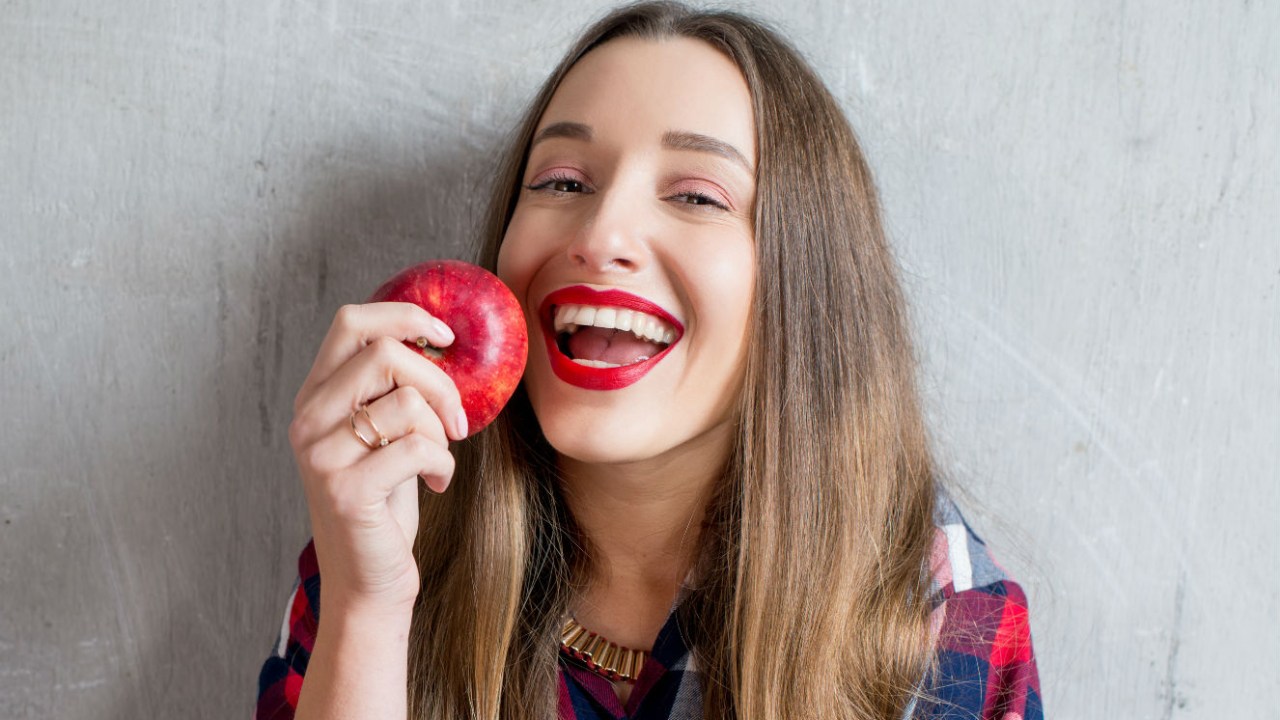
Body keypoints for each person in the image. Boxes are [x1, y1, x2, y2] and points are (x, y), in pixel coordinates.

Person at [255, 2, 1043, 719]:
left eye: (697, 195)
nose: (600, 235)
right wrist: (369, 609)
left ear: (807, 284)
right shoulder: (383, 540)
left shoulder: (938, 619)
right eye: (562, 181)